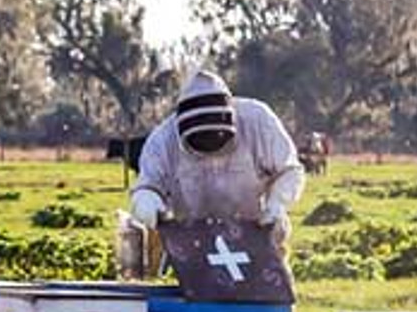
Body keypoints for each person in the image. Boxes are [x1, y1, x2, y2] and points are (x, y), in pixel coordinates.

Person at [128, 68, 305, 246]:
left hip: (257, 235)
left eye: (216, 142)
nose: (210, 152)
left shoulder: (258, 121)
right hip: (192, 243)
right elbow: (146, 188)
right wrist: (152, 209)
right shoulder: (162, 141)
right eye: (202, 145)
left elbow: (290, 170)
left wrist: (276, 206)